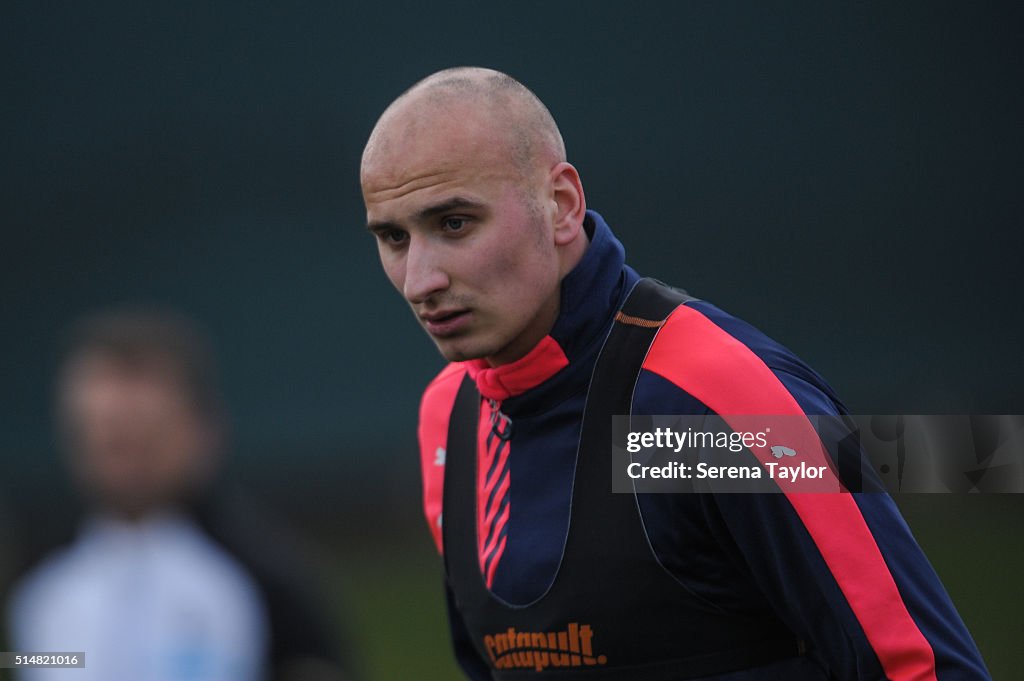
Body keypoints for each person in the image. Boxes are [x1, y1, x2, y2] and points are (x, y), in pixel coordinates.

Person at [359, 67, 991, 680]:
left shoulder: (716, 399)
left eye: (454, 223)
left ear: (561, 205)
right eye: (393, 237)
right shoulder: (448, 416)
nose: (420, 280)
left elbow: (923, 667)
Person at [6, 308, 354, 681]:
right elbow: (41, 662)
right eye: (103, 435)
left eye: (144, 435)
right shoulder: (40, 579)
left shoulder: (264, 577)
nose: (122, 461)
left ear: (202, 431)